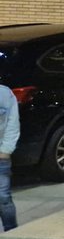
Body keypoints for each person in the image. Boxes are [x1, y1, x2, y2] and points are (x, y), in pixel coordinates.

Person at [0, 83, 19, 231]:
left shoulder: (4, 94)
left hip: (0, 157)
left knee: (3, 198)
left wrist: (6, 151)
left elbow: (12, 124)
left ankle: (11, 234)